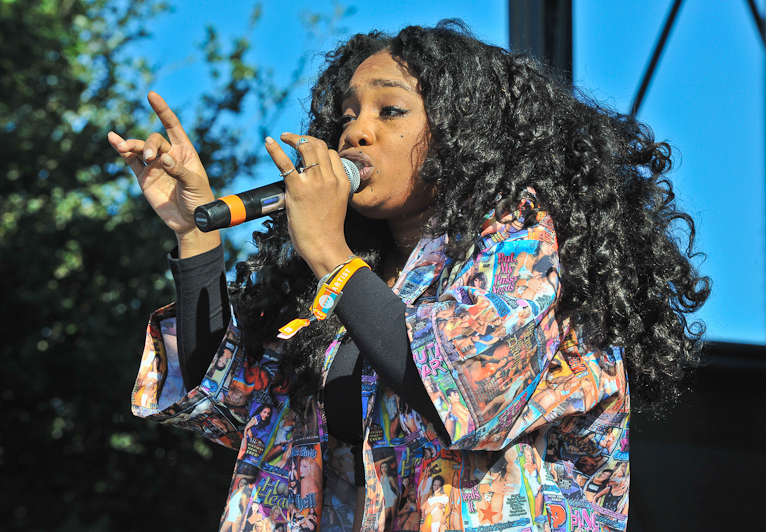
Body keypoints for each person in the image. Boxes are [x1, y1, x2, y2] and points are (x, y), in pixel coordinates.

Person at [111, 20, 709, 532]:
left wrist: (326, 249)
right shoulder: (343, 282)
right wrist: (195, 234)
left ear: (466, 135)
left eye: (389, 110)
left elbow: (457, 385)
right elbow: (228, 400)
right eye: (346, 117)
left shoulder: (524, 247)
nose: (354, 133)